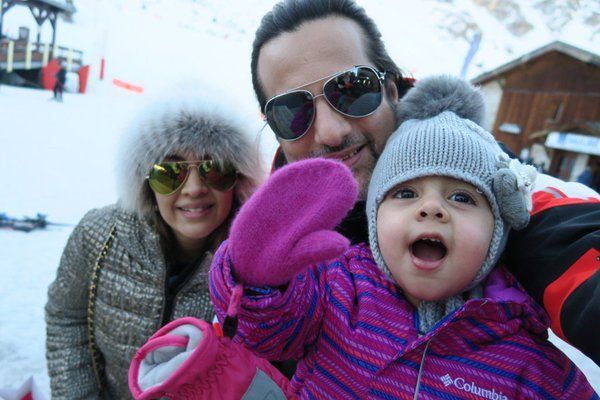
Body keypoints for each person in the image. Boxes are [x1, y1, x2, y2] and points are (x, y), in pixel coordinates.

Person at [128, 76, 596, 399]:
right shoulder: (339, 290)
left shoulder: (530, 365)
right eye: (407, 193)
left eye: (462, 199)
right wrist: (257, 279)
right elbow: (268, 331)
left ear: (497, 231)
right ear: (373, 220)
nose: (430, 208)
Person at [252, 0, 600, 363]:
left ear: (391, 92)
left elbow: (569, 238)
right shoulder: (266, 236)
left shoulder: (492, 189)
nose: (331, 132)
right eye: (292, 112)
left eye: (352, 89)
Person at [45, 92, 264, 399]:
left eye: (213, 168)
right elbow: (66, 316)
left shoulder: (255, 266)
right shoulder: (98, 235)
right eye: (170, 173)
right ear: (145, 181)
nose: (194, 189)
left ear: (237, 178)